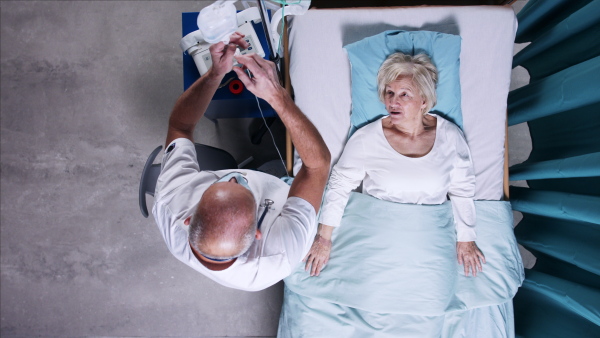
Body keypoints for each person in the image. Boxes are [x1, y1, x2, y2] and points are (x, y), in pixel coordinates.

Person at [153, 32, 330, 291]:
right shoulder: (280, 251)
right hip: (285, 201)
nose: (238, 176)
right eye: (244, 190)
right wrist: (277, 96)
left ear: (189, 219)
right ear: (256, 235)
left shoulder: (173, 203)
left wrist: (215, 74)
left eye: (220, 185)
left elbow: (180, 126)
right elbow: (318, 166)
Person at [303, 52, 486, 277]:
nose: (392, 102)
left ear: (424, 101)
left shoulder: (450, 136)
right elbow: (339, 186)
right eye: (389, 93)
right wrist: (323, 239)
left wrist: (466, 239)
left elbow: (462, 189)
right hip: (380, 235)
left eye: (404, 94)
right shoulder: (367, 138)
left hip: (429, 236)